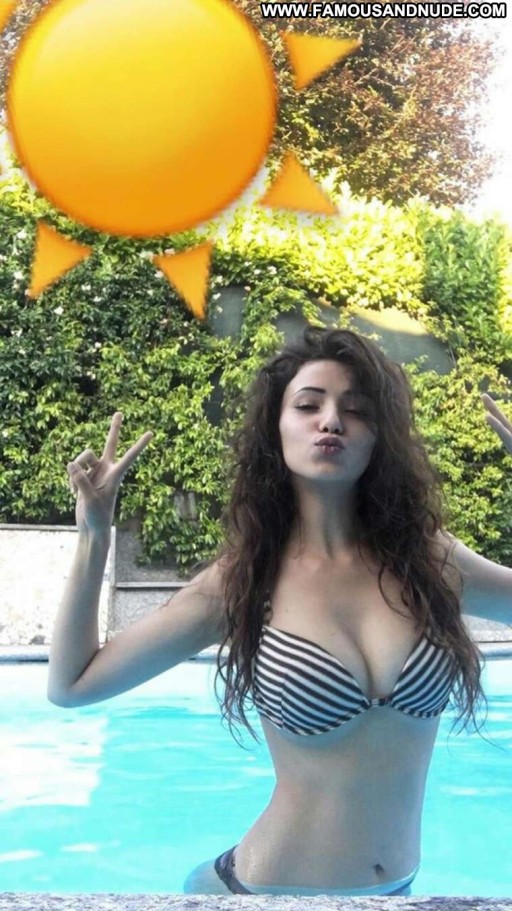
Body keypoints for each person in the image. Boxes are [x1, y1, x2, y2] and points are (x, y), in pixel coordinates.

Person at [48, 326, 512, 896]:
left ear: (379, 437)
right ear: (277, 428)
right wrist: (94, 537)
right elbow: (72, 685)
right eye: (308, 405)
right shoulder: (245, 581)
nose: (331, 421)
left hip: (395, 891)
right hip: (264, 893)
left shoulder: (432, 562)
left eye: (356, 410)